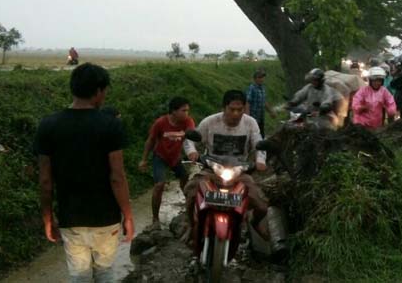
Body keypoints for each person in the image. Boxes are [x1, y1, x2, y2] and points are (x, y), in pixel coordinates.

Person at [34, 63, 133, 282]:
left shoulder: (48, 125)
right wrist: (128, 214)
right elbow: (117, 177)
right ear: (98, 91)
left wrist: (47, 217)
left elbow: (45, 181)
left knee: (79, 276)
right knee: (105, 272)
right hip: (106, 218)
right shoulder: (110, 125)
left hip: (72, 218)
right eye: (105, 91)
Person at [182, 90, 268, 239]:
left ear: (244, 108)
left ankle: (254, 222)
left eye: (239, 110)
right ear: (224, 108)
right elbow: (190, 139)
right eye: (232, 109)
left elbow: (258, 143)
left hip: (239, 171)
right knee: (190, 193)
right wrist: (192, 152)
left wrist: (260, 161)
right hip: (212, 169)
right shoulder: (210, 122)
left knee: (261, 206)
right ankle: (191, 225)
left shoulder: (250, 123)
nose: (235, 114)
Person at [139, 97, 196, 228]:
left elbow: (191, 133)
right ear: (173, 111)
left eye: (187, 110)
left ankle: (190, 208)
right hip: (160, 157)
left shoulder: (187, 121)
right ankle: (155, 219)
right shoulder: (160, 123)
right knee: (159, 185)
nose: (187, 113)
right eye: (184, 110)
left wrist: (192, 149)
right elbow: (151, 140)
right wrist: (144, 159)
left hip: (175, 157)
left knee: (185, 179)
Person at [245, 69, 276, 138]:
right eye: (259, 77)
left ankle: (260, 148)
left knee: (261, 134)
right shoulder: (252, 88)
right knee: (253, 135)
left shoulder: (262, 88)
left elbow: (264, 102)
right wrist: (247, 116)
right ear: (255, 79)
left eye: (262, 77)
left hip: (261, 117)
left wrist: (271, 111)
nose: (261, 79)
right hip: (253, 117)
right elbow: (247, 102)